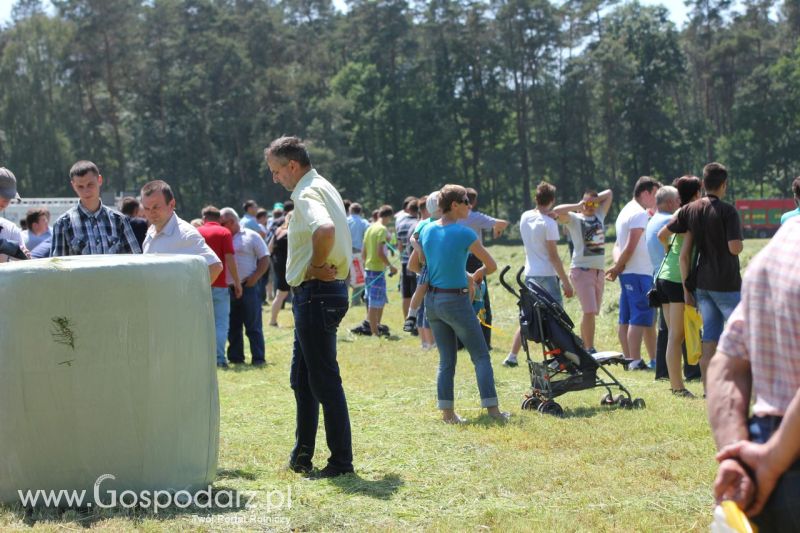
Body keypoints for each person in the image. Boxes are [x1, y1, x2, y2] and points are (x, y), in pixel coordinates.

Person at [265, 135, 354, 478]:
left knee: (323, 380)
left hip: (316, 291)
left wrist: (316, 265)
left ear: (292, 165)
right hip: (318, 294)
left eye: (276, 171)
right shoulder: (322, 185)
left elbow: (326, 229)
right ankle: (302, 455)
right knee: (303, 380)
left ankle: (341, 462)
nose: (274, 178)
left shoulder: (306, 192)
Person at [707, 217, 800, 531]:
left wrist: (736, 454)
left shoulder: (779, 246)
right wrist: (772, 459)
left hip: (764, 467)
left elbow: (727, 364)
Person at [419, 184, 508, 424]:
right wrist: (476, 274)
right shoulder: (465, 233)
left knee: (446, 360)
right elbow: (490, 265)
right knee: (480, 356)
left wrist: (461, 274)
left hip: (433, 302)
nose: (470, 205)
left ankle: (448, 414)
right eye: (466, 201)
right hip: (456, 301)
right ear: (455, 205)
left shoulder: (427, 230)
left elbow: (422, 265)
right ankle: (493, 410)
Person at [662, 162, 743, 387]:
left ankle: (709, 387)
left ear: (704, 183)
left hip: (702, 283)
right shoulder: (728, 211)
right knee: (743, 332)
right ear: (724, 185)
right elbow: (734, 248)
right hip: (726, 282)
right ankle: (740, 382)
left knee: (710, 335)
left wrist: (667, 250)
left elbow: (665, 232)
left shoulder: (690, 209)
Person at [504, 182, 574, 367]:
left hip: (530, 273)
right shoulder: (549, 223)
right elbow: (553, 256)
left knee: (530, 316)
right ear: (552, 200)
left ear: (536, 198)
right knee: (556, 320)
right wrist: (566, 282)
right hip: (548, 276)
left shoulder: (526, 216)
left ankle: (512, 355)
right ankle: (558, 358)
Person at [605, 176, 661, 369]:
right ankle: (635, 361)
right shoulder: (639, 214)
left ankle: (640, 359)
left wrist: (617, 267)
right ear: (645, 193)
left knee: (629, 318)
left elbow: (617, 246)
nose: (657, 199)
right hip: (639, 273)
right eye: (655, 194)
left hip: (630, 272)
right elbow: (629, 247)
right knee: (640, 317)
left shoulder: (625, 211)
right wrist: (618, 267)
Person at [655, 179, 702, 398]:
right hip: (677, 280)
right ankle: (677, 387)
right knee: (676, 335)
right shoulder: (691, 213)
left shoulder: (679, 213)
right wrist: (686, 287)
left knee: (673, 334)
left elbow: (661, 235)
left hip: (664, 278)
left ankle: (675, 384)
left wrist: (668, 252)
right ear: (696, 193)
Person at [552, 188, 613, 352]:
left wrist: (594, 199)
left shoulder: (599, 216)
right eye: (588, 203)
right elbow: (556, 211)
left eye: (594, 204)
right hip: (582, 270)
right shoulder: (575, 218)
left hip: (598, 272)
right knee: (589, 310)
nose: (591, 206)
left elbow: (609, 193)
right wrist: (580, 204)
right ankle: (589, 348)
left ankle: (585, 346)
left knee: (592, 312)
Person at [51, 161, 141, 256]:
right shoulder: (63, 224)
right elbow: (57, 266)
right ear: (73, 185)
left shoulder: (119, 220)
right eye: (80, 186)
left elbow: (134, 261)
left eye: (90, 184)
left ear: (99, 180)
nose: (86, 191)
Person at [140, 180, 222, 284]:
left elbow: (215, 266)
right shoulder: (151, 231)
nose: (151, 213)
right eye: (147, 208)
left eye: (156, 207)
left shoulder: (186, 234)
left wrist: (188, 295)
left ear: (171, 204)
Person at [457, 187, 508, 350]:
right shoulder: (475, 217)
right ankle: (485, 342)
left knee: (459, 298)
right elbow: (502, 223)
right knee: (481, 300)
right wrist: (497, 229)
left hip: (458, 260)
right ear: (474, 201)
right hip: (475, 261)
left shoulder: (454, 216)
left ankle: (459, 341)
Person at [219, 207, 269, 367]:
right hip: (228, 288)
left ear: (232, 221)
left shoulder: (251, 235)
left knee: (253, 324)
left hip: (249, 286)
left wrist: (255, 277)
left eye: (222, 223)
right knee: (233, 325)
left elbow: (265, 258)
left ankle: (258, 358)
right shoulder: (223, 238)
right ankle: (235, 357)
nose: (220, 226)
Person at [198, 205, 242, 368]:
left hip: (200, 285)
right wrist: (237, 283)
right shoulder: (224, 233)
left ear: (204, 218)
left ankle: (203, 358)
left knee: (202, 323)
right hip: (220, 284)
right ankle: (219, 358)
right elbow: (229, 259)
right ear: (219, 219)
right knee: (221, 324)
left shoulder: (196, 232)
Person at [362, 205, 398, 336]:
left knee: (378, 300)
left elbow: (363, 252)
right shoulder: (382, 230)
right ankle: (375, 332)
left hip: (368, 268)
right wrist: (391, 266)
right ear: (388, 216)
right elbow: (380, 253)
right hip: (377, 270)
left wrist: (366, 264)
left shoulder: (370, 228)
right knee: (374, 301)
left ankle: (375, 327)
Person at [395, 198, 420, 321]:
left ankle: (407, 321)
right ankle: (416, 319)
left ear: (408, 209)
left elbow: (399, 247)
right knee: (417, 293)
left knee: (406, 295)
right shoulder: (418, 224)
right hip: (416, 263)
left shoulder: (400, 224)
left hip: (405, 263)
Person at [269, 212, 292, 327]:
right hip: (288, 265)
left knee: (280, 294)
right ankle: (272, 321)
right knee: (282, 294)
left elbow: (270, 248)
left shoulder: (278, 231)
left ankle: (273, 321)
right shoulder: (291, 232)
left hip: (278, 263)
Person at [0, 167, 28, 263]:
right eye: (3, 196)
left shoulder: (11, 229)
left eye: (9, 198)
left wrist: (24, 258)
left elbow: (23, 269)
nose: (6, 203)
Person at [346, 202, 370, 306]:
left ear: (350, 210)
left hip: (345, 251)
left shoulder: (345, 220)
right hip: (358, 252)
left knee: (345, 276)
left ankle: (343, 299)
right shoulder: (364, 222)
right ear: (360, 211)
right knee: (359, 276)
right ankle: (355, 300)